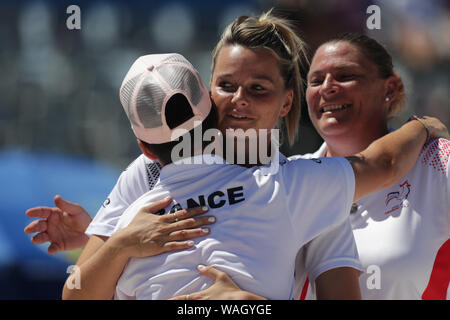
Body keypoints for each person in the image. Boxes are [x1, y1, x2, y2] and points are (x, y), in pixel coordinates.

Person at [25, 12, 447, 299]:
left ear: (286, 102)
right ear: (207, 93)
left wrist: (247, 303)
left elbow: (382, 166)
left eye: (258, 89)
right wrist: (117, 244)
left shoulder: (308, 185)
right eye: (226, 86)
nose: (239, 100)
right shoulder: (149, 172)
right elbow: (76, 291)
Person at [174, 33, 450, 300]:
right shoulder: (285, 176)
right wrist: (127, 242)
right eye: (316, 80)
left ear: (389, 88)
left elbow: (382, 164)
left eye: (345, 76)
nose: (328, 87)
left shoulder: (440, 163)